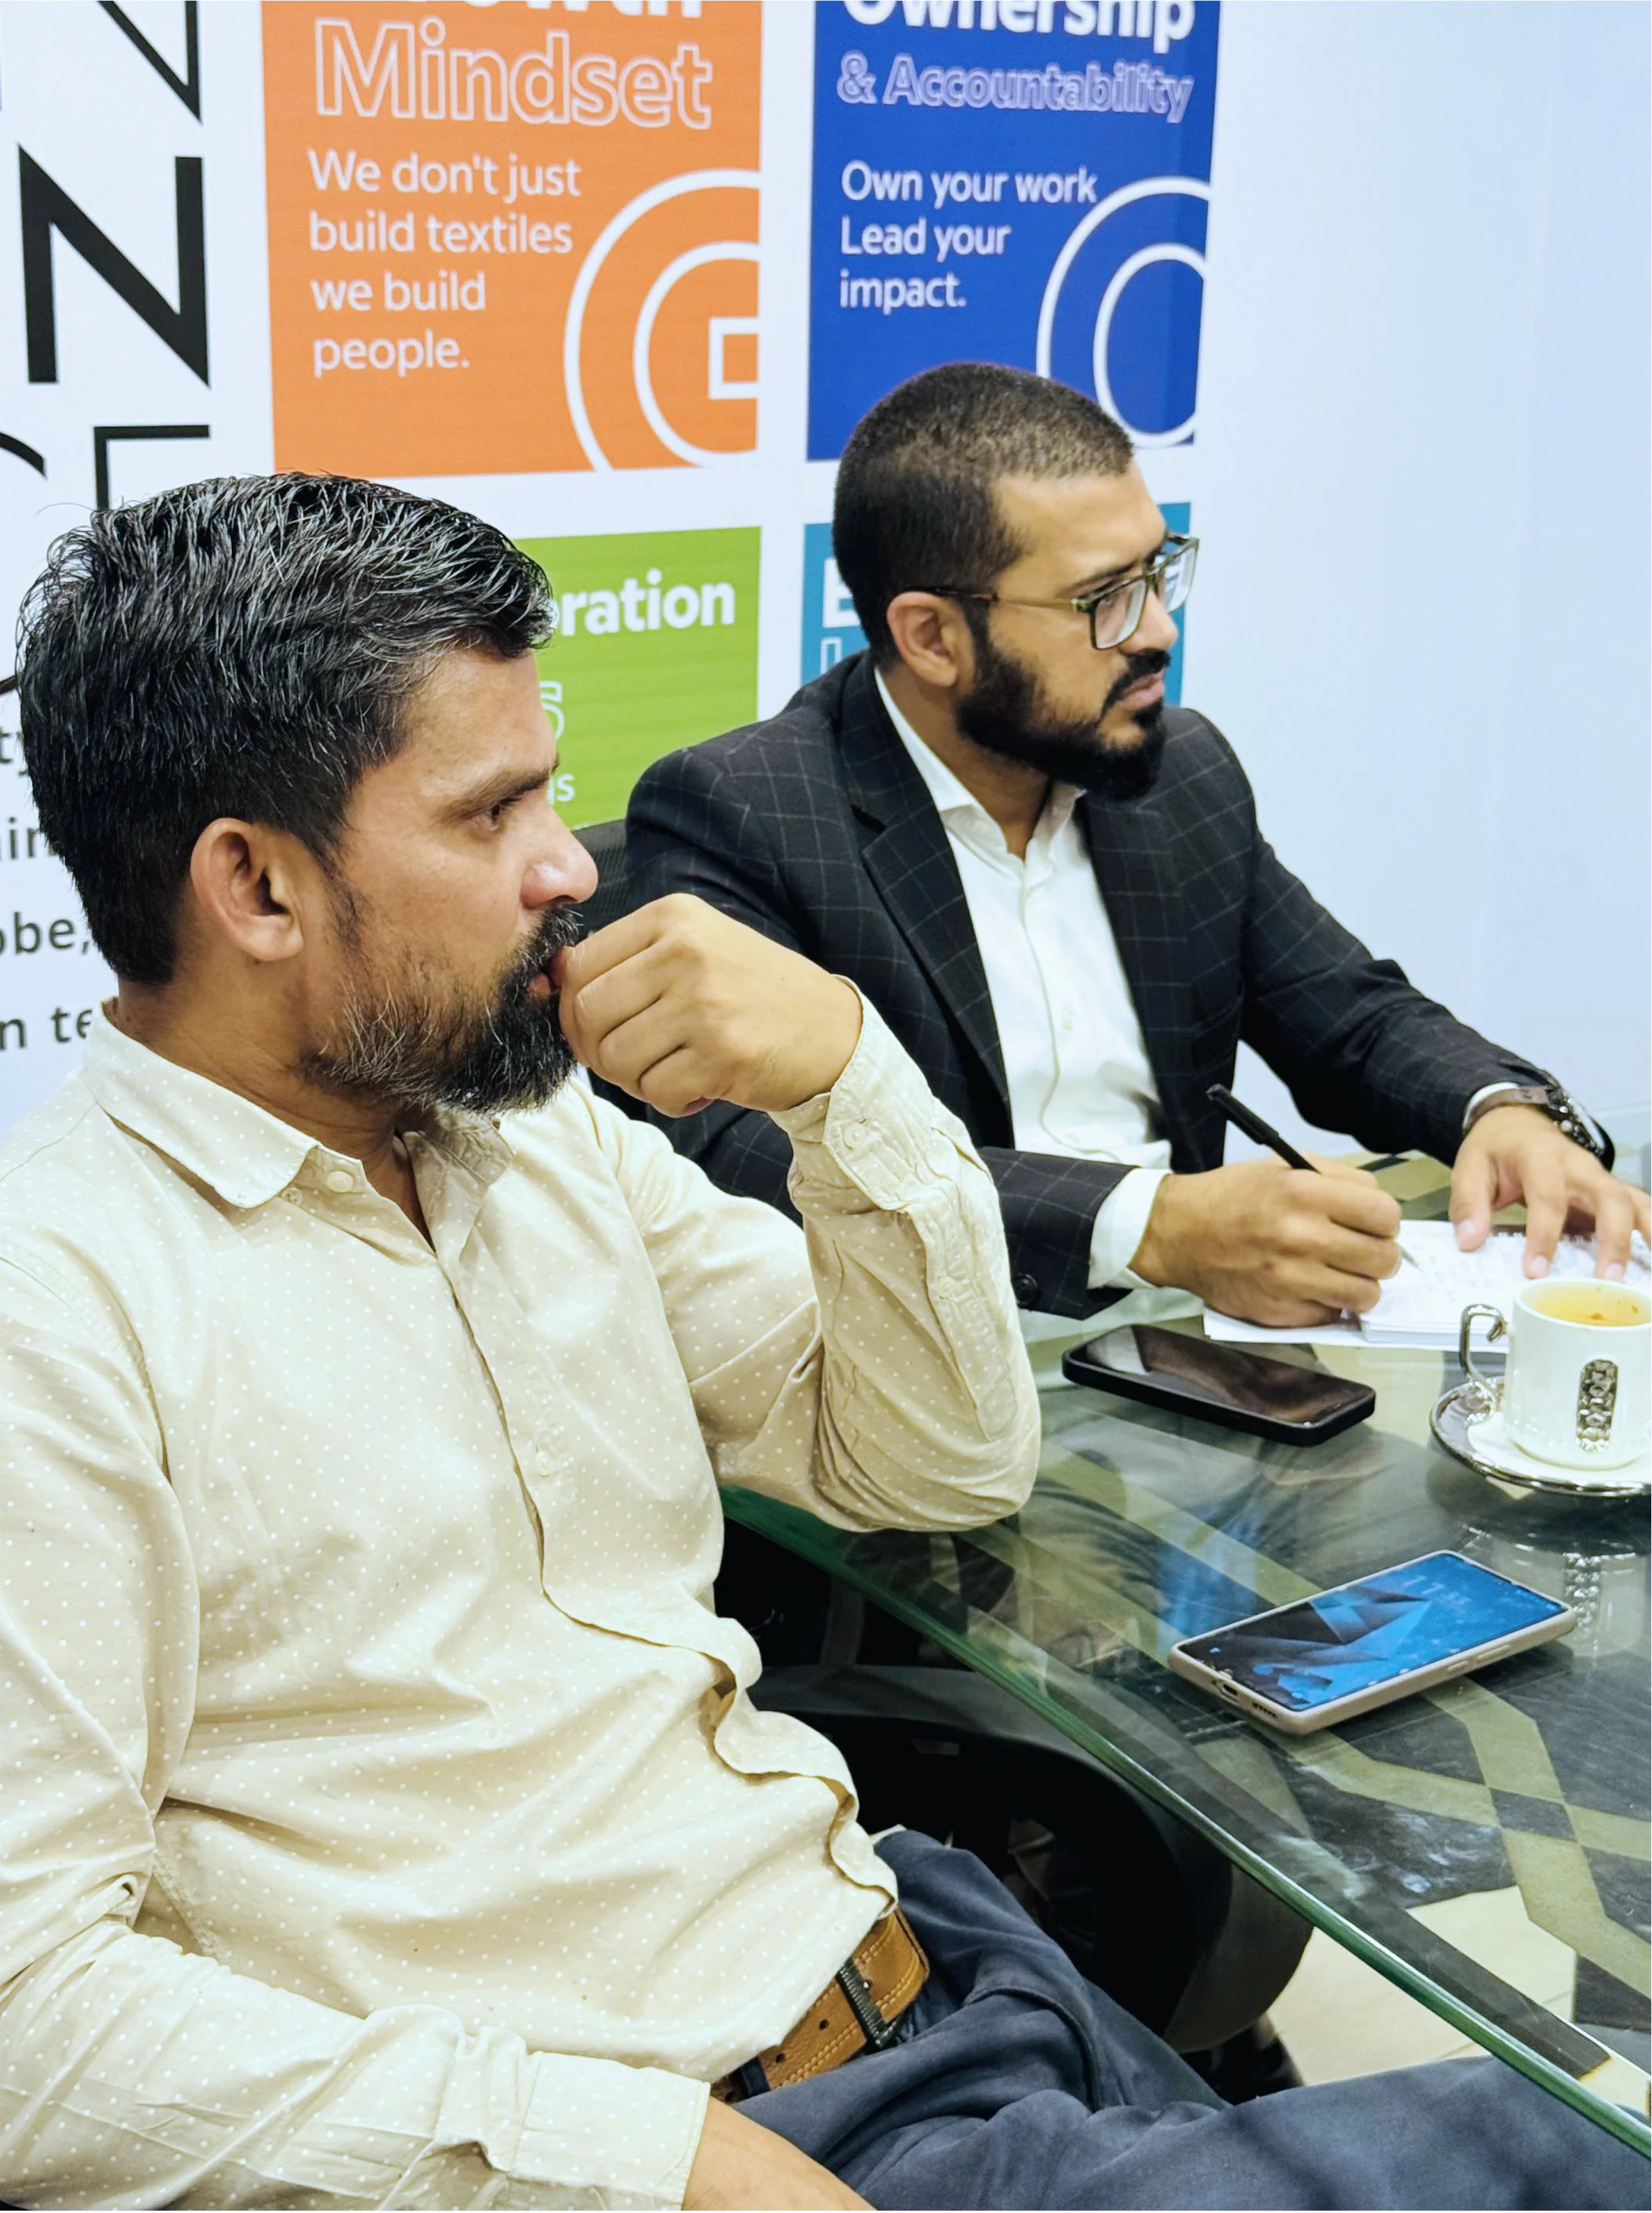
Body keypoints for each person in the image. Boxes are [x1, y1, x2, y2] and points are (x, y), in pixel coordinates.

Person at [0, 476, 1638, 2213]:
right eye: (490, 816)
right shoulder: (63, 1312)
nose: (568, 866)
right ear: (256, 886)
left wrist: (852, 1081)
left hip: (931, 1965)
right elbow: (32, 2023)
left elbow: (934, 1460)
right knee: (1580, 2160)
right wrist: (659, 2160)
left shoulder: (531, 1136)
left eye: (546, 788)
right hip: (710, 2149)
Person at [623, 363, 1649, 1327]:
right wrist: (1149, 1226)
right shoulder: (746, 811)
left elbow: (1348, 1015)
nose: (1158, 629)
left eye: (1158, 572)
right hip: (924, 1373)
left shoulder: (1175, 771)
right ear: (933, 637)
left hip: (1199, 1358)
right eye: (1103, 601)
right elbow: (732, 1161)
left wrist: (1497, 1110)